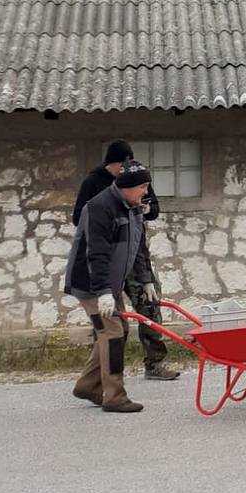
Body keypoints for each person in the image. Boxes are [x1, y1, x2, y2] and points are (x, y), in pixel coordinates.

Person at [72, 140, 178, 381]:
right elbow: (79, 217)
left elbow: (153, 209)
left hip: (134, 252)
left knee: (150, 305)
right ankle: (99, 376)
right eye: (123, 165)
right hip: (107, 258)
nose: (125, 171)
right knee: (109, 322)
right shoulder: (94, 183)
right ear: (115, 164)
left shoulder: (135, 179)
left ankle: (155, 363)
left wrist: (142, 208)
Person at [65, 160, 155, 413]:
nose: (145, 192)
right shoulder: (99, 208)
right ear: (128, 187)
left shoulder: (133, 206)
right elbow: (96, 255)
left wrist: (145, 279)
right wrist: (103, 292)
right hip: (90, 282)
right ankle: (114, 395)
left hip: (109, 283)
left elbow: (138, 246)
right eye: (143, 187)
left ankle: (88, 385)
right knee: (113, 332)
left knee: (115, 330)